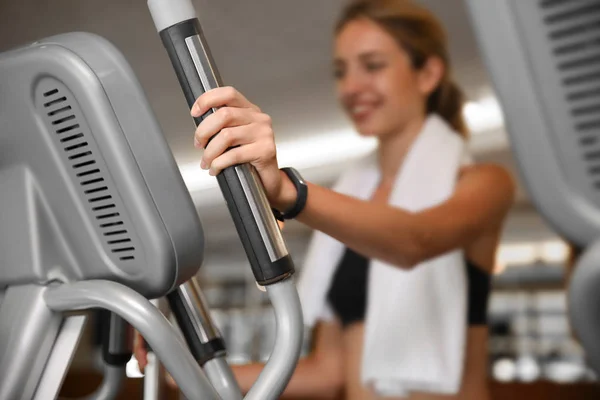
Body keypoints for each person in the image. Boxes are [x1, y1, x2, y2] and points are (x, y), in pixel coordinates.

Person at [135, 0, 515, 398]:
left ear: (428, 74)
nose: (350, 87)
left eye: (372, 65)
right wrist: (183, 368)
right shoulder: (350, 199)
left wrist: (287, 190)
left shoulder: (485, 183)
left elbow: (415, 240)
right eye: (341, 71)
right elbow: (329, 371)